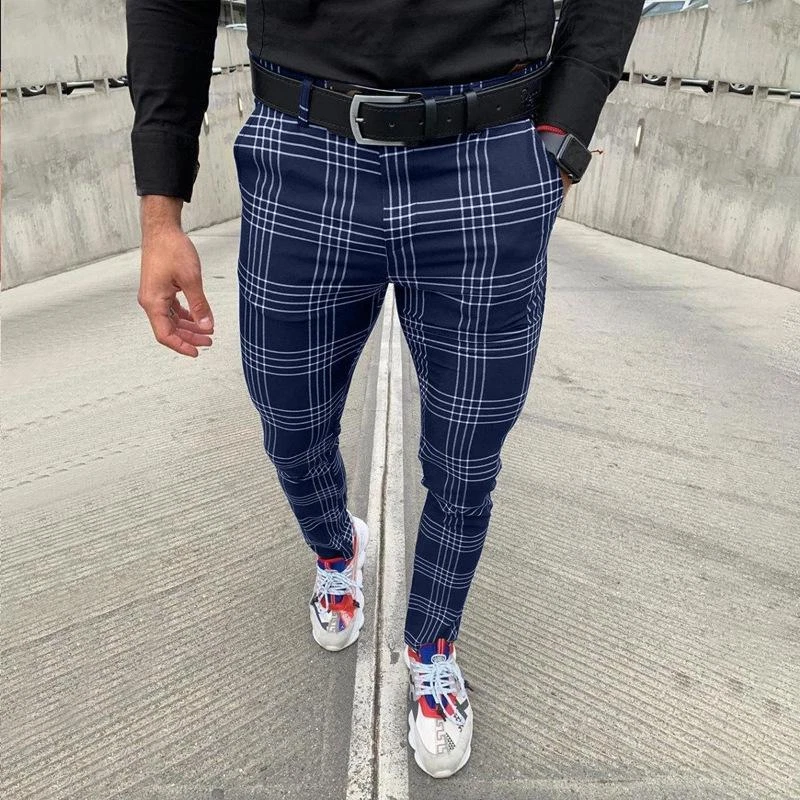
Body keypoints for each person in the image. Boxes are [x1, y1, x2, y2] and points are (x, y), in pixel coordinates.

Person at [126, 0, 643, 779]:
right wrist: (160, 213)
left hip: (489, 151)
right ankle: (339, 546)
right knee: (288, 422)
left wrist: (562, 136)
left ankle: (433, 646)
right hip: (303, 147)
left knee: (465, 460)